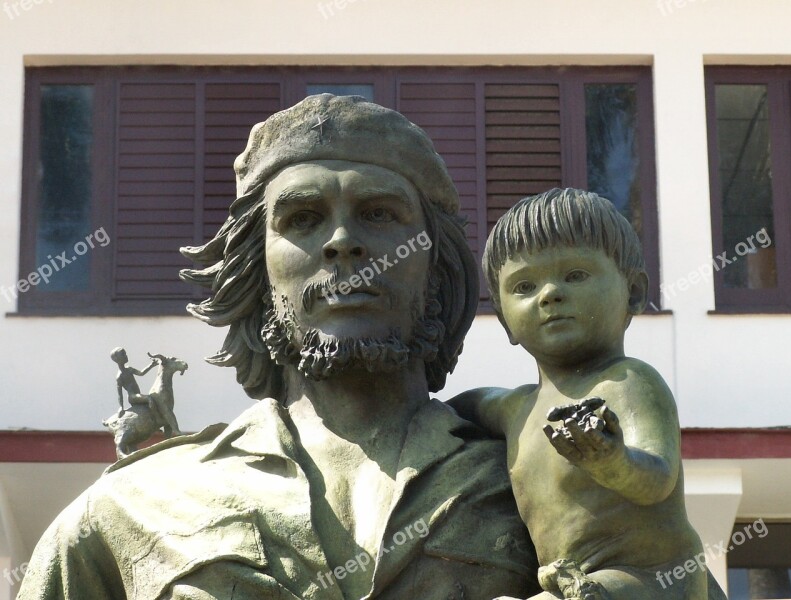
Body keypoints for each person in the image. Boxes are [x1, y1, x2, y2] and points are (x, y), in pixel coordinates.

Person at [18, 94, 537, 599]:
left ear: (438, 270)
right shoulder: (126, 510)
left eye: (378, 214)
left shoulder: (535, 479)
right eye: (303, 219)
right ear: (257, 273)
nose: (341, 241)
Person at [449, 188, 727, 600]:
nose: (549, 294)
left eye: (575, 275)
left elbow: (657, 479)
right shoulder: (514, 409)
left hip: (653, 579)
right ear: (505, 320)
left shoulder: (628, 382)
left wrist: (612, 462)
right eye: (524, 286)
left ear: (633, 292)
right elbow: (458, 407)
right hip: (576, 583)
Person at [111, 347, 181, 435]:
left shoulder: (129, 369)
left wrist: (151, 365)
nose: (126, 356)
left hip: (138, 395)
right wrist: (121, 406)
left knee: (153, 401)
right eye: (123, 355)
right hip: (133, 397)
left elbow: (141, 373)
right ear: (117, 359)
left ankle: (154, 421)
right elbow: (119, 394)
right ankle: (158, 420)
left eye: (125, 354)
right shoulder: (120, 376)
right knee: (149, 399)